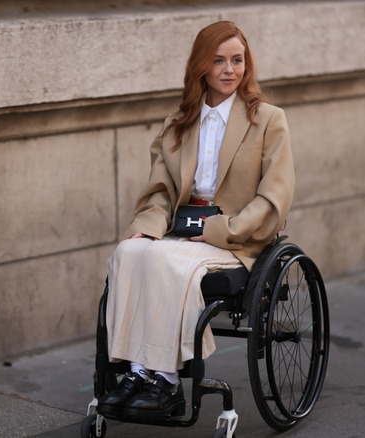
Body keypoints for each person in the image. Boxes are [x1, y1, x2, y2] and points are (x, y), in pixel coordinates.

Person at [98, 20, 295, 419]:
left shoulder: (268, 119)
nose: (229, 70)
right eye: (218, 60)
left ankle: (166, 380)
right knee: (129, 253)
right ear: (201, 67)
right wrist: (147, 229)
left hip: (236, 238)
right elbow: (160, 191)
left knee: (168, 262)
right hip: (180, 232)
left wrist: (217, 230)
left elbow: (273, 198)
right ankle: (136, 372)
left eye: (237, 60)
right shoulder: (178, 123)